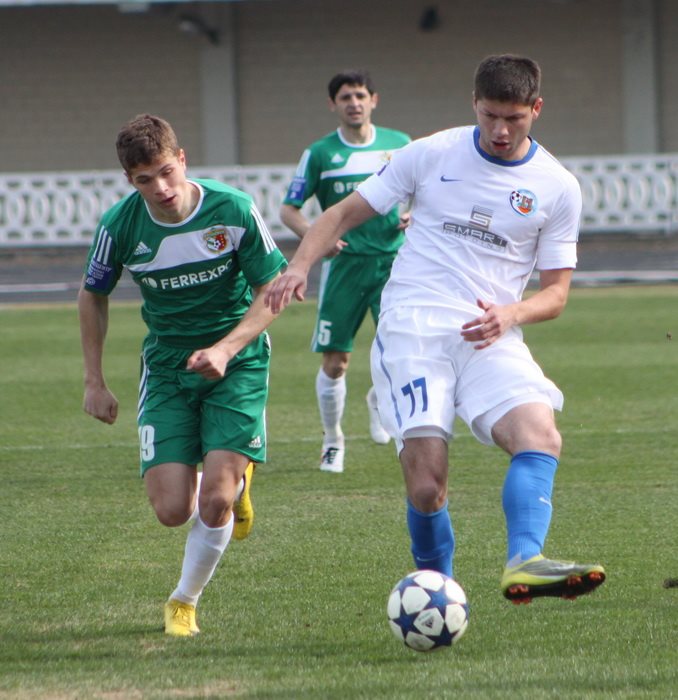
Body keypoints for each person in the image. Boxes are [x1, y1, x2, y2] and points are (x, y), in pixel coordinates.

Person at [266, 55, 606, 604]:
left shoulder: (558, 186)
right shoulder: (429, 153)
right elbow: (340, 215)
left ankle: (525, 559)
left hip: (489, 333)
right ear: (474, 104)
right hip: (414, 328)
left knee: (540, 435)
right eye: (490, 115)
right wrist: (300, 265)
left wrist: (511, 314)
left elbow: (556, 294)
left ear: (537, 109)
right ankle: (438, 593)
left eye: (514, 118)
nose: (500, 130)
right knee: (427, 486)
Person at [78, 114, 286, 635]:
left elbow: (273, 289)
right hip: (168, 365)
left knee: (214, 499)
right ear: (130, 180)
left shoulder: (232, 209)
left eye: (167, 172)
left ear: (183, 159)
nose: (161, 188)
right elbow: (92, 294)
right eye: (145, 179)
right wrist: (94, 380)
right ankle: (234, 478)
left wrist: (226, 348)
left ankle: (183, 601)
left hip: (237, 360)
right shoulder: (119, 226)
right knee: (172, 509)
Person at [279, 69, 411, 474]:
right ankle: (332, 439)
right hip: (345, 269)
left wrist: (415, 213)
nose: (354, 103)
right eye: (345, 97)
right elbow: (289, 210)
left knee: (403, 355)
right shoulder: (320, 153)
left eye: (360, 95)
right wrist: (316, 237)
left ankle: (379, 402)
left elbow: (424, 193)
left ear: (374, 100)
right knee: (336, 362)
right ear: (332, 105)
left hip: (395, 265)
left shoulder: (400, 144)